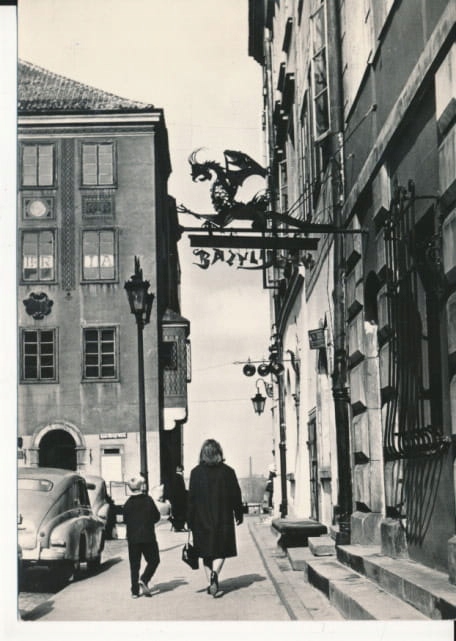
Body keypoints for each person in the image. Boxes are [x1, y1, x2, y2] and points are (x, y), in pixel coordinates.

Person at [187, 439, 244, 597]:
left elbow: (191, 499)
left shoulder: (195, 472)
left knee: (205, 552)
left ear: (202, 454)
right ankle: (215, 574)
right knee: (221, 549)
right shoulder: (228, 471)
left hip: (201, 519)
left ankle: (210, 581)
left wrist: (189, 520)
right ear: (219, 453)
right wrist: (238, 513)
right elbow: (236, 495)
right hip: (223, 518)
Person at [123, 474, 161, 598]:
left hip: (133, 538)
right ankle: (144, 579)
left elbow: (125, 520)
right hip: (148, 536)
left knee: (134, 565)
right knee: (154, 560)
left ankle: (134, 592)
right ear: (141, 486)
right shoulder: (148, 500)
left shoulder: (128, 503)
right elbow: (157, 517)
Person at [168, 465, 188, 532]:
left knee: (177, 513)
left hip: (175, 499)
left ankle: (177, 526)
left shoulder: (174, 477)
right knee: (181, 513)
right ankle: (179, 527)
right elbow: (181, 489)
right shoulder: (179, 477)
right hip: (179, 499)